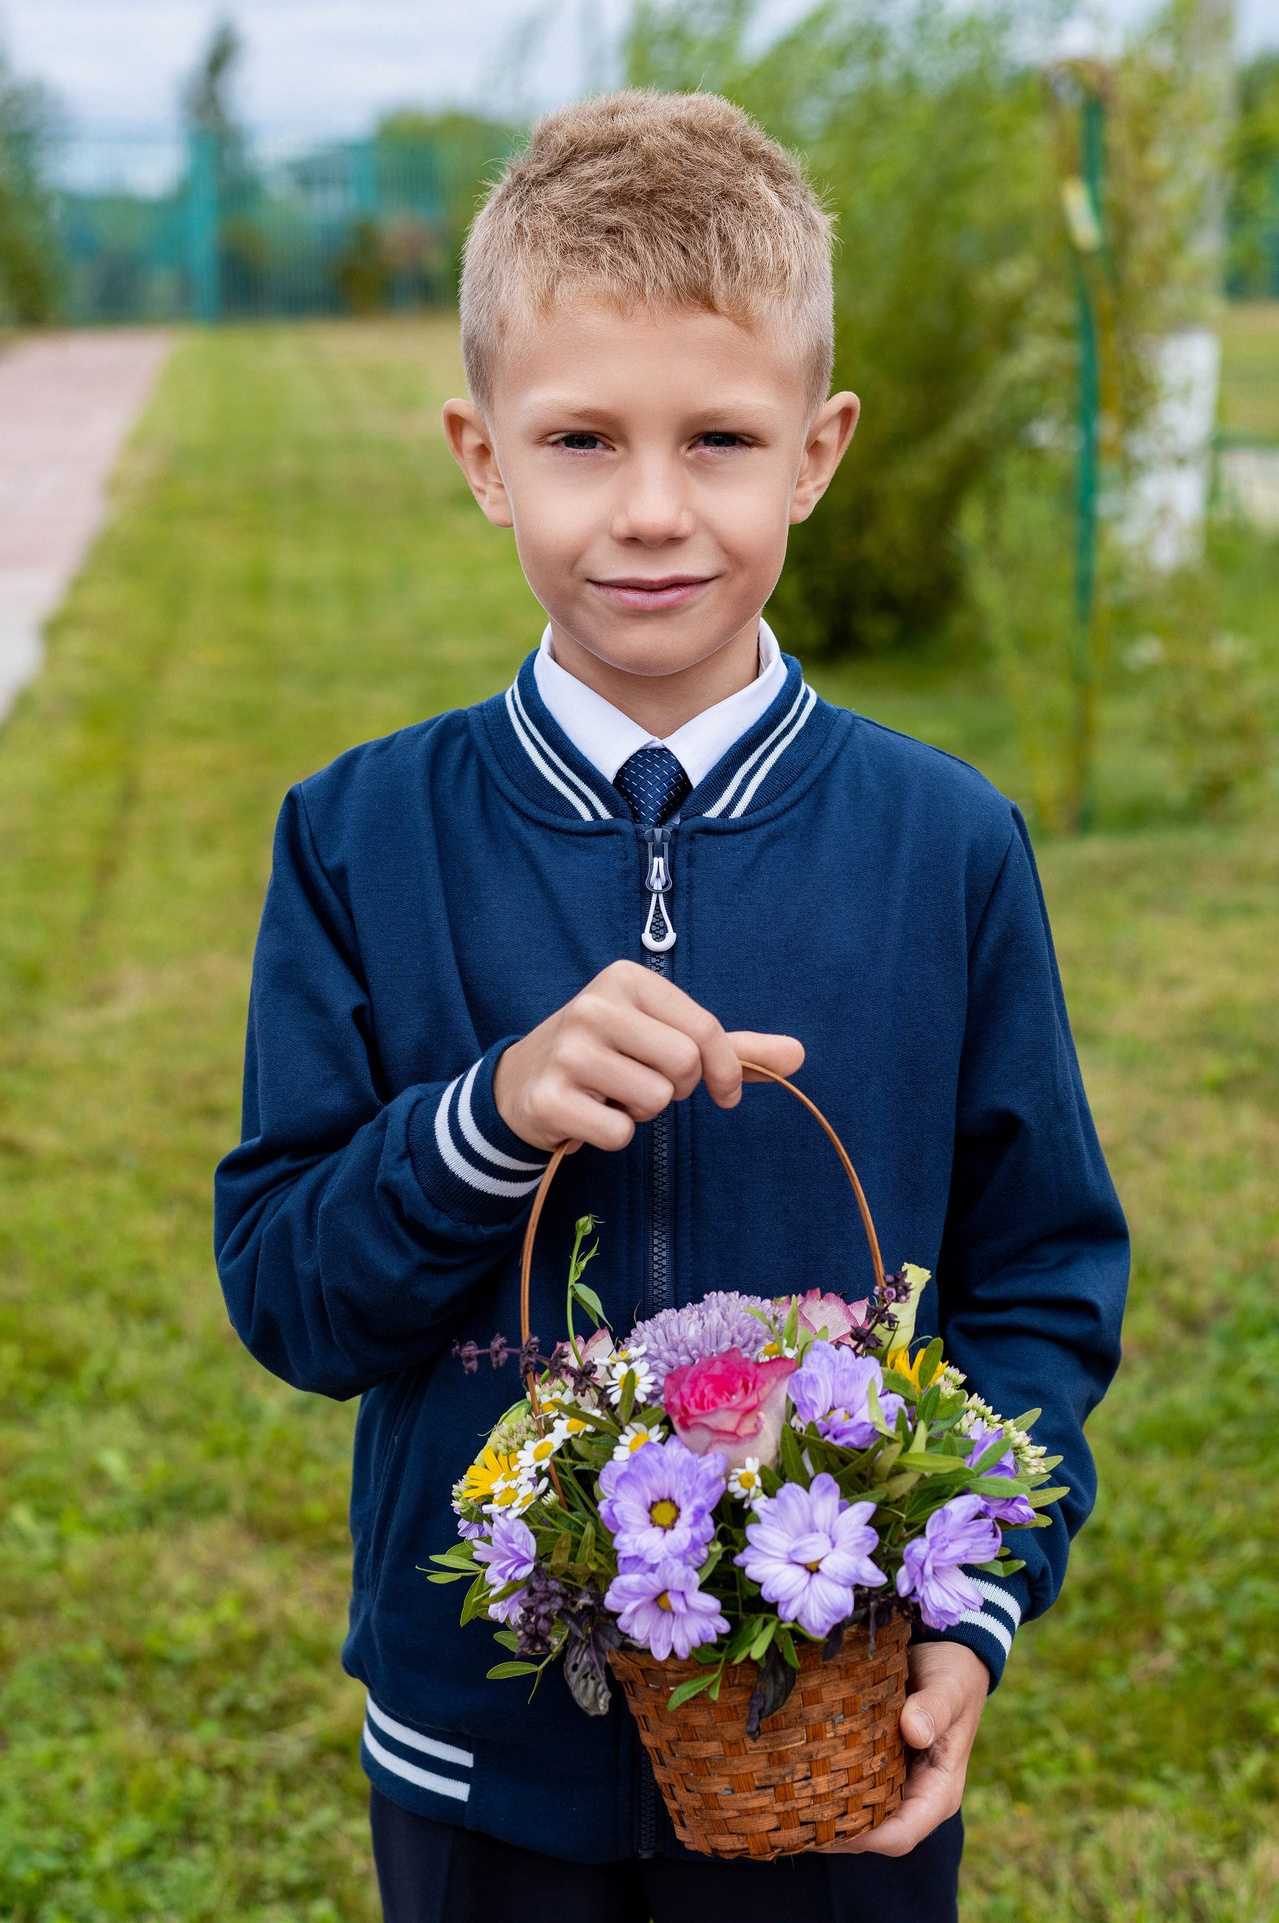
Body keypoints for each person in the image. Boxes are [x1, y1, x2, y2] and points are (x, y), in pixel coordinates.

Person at [214, 89, 1128, 1923]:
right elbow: (293, 1295)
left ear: (817, 450)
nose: (648, 510)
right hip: (485, 1763)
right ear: (484, 455)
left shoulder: (944, 845)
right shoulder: (360, 838)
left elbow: (1040, 1281)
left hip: (832, 1736)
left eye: (719, 437)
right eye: (580, 440)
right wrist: (486, 1122)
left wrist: (974, 1612)